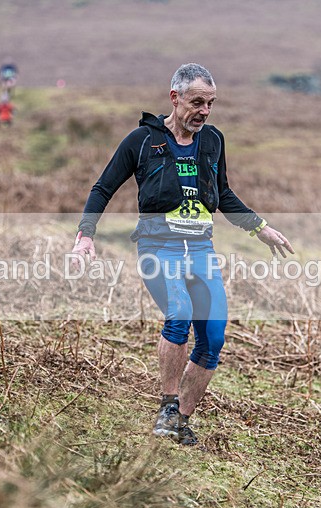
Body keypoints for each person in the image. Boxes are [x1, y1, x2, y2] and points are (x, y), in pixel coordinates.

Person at [71, 63, 294, 446]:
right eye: (197, 102)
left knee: (214, 338)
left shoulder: (213, 141)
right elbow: (102, 188)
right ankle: (167, 407)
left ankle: (181, 421)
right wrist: (84, 236)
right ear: (174, 98)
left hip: (202, 251)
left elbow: (222, 194)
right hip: (159, 247)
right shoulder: (141, 140)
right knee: (180, 315)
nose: (204, 111)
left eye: (210, 103)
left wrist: (260, 227)